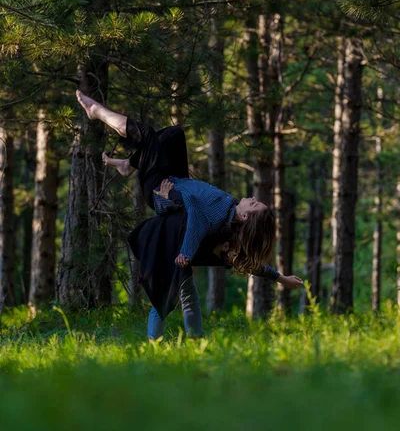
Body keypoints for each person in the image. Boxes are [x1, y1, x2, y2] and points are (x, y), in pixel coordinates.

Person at [76, 91, 303, 339]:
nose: (253, 199)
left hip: (160, 188)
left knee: (147, 134)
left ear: (247, 217)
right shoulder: (228, 220)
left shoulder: (217, 216)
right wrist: (281, 278)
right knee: (174, 135)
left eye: (255, 204)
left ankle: (97, 112)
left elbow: (194, 212)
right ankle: (128, 164)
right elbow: (248, 260)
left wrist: (185, 248)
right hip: (177, 180)